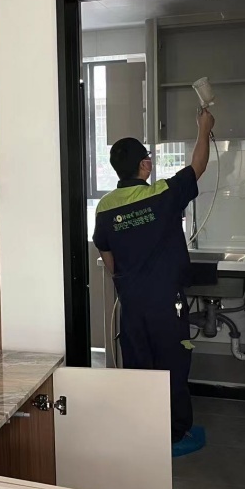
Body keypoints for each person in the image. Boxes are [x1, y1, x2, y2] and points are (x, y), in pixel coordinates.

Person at [92, 107, 215, 457]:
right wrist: (204, 127)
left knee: (138, 366)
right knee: (172, 364)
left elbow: (106, 254)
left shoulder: (105, 207)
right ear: (144, 165)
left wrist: (126, 282)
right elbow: (198, 166)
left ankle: (142, 431)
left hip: (132, 304)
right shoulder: (162, 194)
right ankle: (174, 435)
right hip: (166, 304)